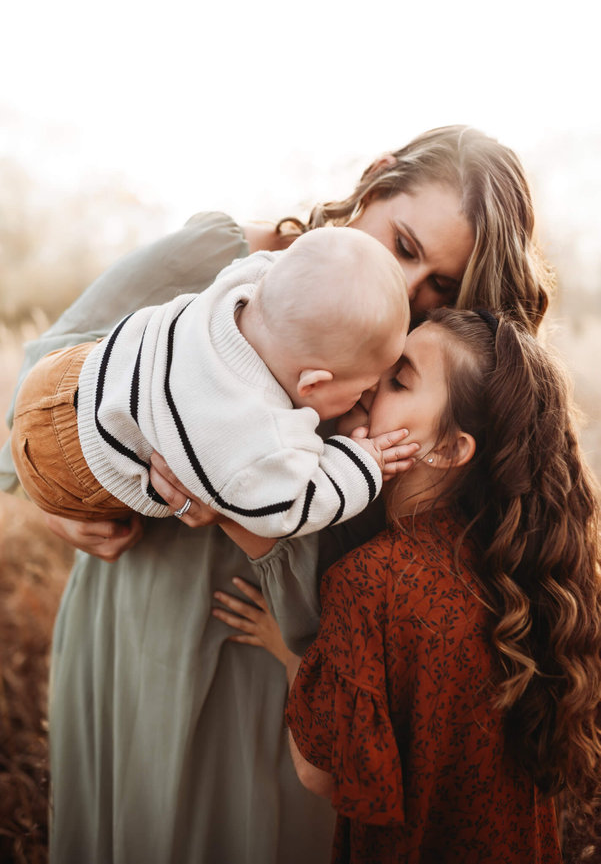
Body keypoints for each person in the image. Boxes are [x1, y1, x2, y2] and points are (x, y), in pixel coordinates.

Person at [0, 125, 556, 864]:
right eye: (403, 246)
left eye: (439, 289)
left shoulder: (413, 371)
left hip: (283, 666)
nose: (404, 292)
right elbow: (37, 387)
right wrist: (64, 496)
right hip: (142, 626)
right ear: (374, 179)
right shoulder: (221, 260)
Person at [204, 309, 601, 863]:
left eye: (398, 379)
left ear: (447, 449)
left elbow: (322, 772)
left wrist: (293, 652)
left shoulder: (370, 582)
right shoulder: (513, 576)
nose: (369, 384)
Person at [10, 228, 409, 534]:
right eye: (364, 386)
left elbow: (291, 268)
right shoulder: (253, 429)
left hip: (68, 371)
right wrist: (361, 464)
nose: (369, 393)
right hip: (76, 463)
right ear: (312, 384)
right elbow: (289, 508)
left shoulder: (247, 282)